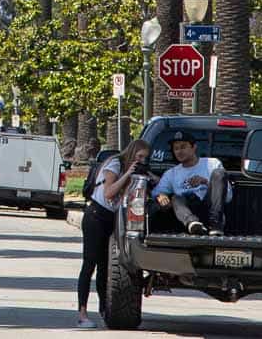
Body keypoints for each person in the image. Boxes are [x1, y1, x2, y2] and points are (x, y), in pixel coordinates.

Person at [77, 139, 151, 329]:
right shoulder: (115, 164)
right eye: (139, 156)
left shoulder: (135, 173)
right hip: (96, 216)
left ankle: (104, 310)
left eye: (145, 158)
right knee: (90, 263)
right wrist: (128, 174)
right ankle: (82, 313)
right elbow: (109, 193)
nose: (142, 160)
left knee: (105, 268)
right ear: (132, 152)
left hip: (113, 220)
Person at [151, 131, 232, 236]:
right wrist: (161, 196)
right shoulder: (171, 173)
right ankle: (193, 224)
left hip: (209, 208)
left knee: (219, 173)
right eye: (176, 148)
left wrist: (205, 182)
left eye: (183, 147)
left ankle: (215, 225)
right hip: (188, 214)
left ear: (194, 147)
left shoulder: (212, 164)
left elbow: (228, 196)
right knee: (175, 198)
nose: (179, 151)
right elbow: (156, 193)